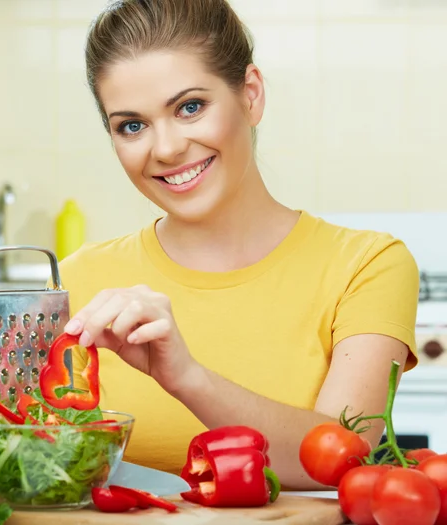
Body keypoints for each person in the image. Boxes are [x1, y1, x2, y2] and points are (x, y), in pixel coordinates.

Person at [56, 0, 419, 490]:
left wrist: (187, 377)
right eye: (132, 125)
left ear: (250, 95)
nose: (165, 149)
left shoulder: (367, 265)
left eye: (190, 107)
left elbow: (340, 460)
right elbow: (41, 473)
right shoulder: (77, 281)